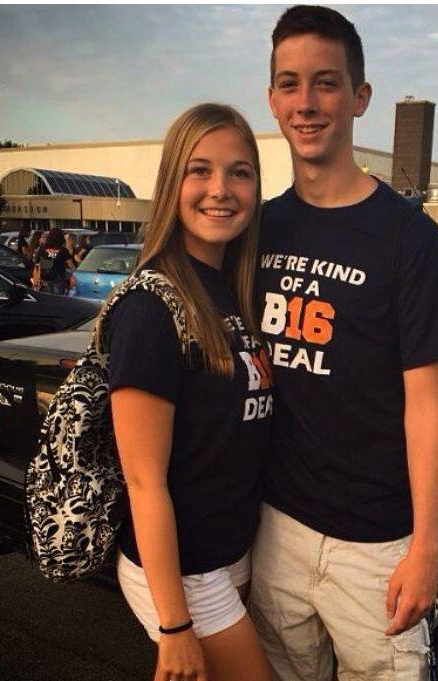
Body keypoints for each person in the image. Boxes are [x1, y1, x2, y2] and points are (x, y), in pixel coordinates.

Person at [250, 6, 438, 681]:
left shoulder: (408, 236)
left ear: (359, 97)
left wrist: (424, 546)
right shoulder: (260, 228)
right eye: (289, 84)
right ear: (272, 99)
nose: (306, 102)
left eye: (326, 82)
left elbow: (425, 404)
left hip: (376, 544)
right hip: (275, 529)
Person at [109, 104, 272, 681]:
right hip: (185, 572)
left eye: (239, 172)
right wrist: (174, 626)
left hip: (230, 554)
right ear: (171, 183)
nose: (220, 189)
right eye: (199, 170)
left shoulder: (231, 290)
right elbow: (143, 481)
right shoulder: (151, 306)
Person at [33, 227, 75, 294]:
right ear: (60, 238)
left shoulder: (42, 248)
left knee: (47, 297)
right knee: (58, 298)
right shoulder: (63, 250)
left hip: (45, 279)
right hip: (59, 279)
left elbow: (37, 265)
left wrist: (36, 280)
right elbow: (71, 266)